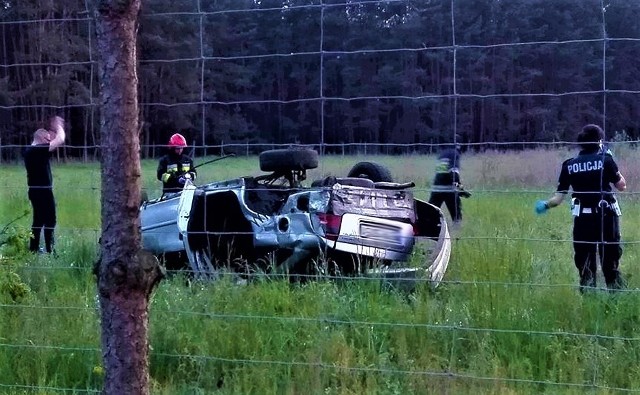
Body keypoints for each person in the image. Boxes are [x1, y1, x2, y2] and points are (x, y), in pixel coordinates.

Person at [535, 124, 627, 292]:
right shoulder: (606, 160)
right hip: (607, 216)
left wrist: (545, 205)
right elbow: (621, 185)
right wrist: (614, 165)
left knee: (585, 264)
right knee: (610, 261)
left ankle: (589, 296)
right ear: (599, 141)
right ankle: (615, 296)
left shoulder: (569, 165)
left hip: (583, 220)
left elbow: (557, 199)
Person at [23, 116, 66, 254]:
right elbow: (60, 140)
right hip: (43, 192)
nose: (50, 142)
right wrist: (59, 125)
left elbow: (54, 140)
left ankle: (34, 249)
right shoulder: (38, 150)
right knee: (50, 220)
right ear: (42, 139)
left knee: (38, 220)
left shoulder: (30, 150)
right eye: (48, 139)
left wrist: (52, 133)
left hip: (35, 191)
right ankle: (50, 250)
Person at [428, 144, 470, 223]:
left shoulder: (442, 154)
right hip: (449, 190)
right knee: (456, 216)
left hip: (436, 189)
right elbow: (454, 176)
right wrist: (461, 189)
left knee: (431, 213)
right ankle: (456, 232)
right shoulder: (454, 154)